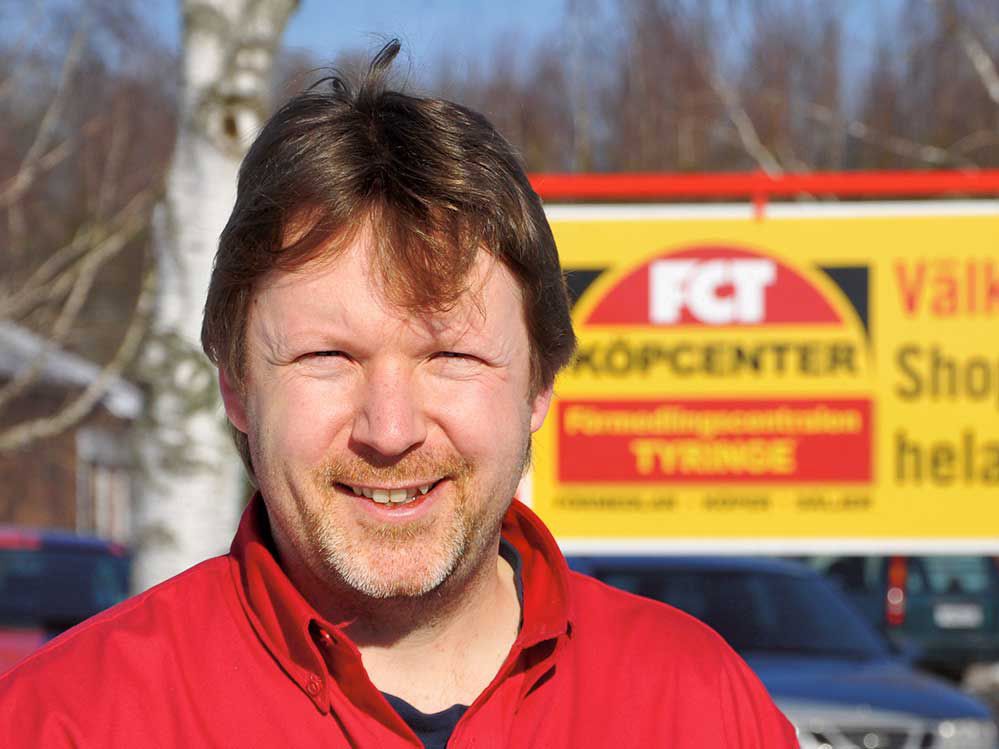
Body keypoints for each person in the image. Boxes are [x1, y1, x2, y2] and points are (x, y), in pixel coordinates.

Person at [0, 42, 798, 748]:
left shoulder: (699, 705)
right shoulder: (66, 720)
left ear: (538, 385)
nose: (389, 429)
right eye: (327, 356)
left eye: (450, 356)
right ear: (236, 386)